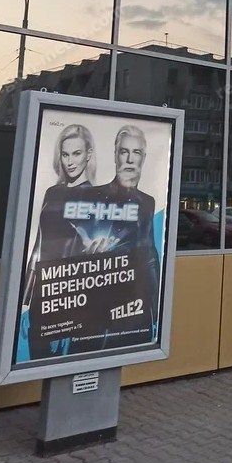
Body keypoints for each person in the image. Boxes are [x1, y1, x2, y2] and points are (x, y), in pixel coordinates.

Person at [68, 125, 161, 353]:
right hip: (94, 308)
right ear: (115, 155)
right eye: (124, 151)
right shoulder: (90, 195)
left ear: (143, 158)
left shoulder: (148, 202)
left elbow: (150, 254)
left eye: (136, 152)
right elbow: (69, 252)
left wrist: (156, 305)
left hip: (134, 308)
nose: (130, 159)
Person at [23, 124, 97, 359]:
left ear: (88, 154)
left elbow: (90, 255)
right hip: (42, 289)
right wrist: (25, 299)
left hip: (71, 293)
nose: (70, 162)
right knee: (37, 358)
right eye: (65, 154)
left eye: (76, 153)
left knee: (62, 360)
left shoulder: (95, 197)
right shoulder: (52, 192)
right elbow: (39, 243)